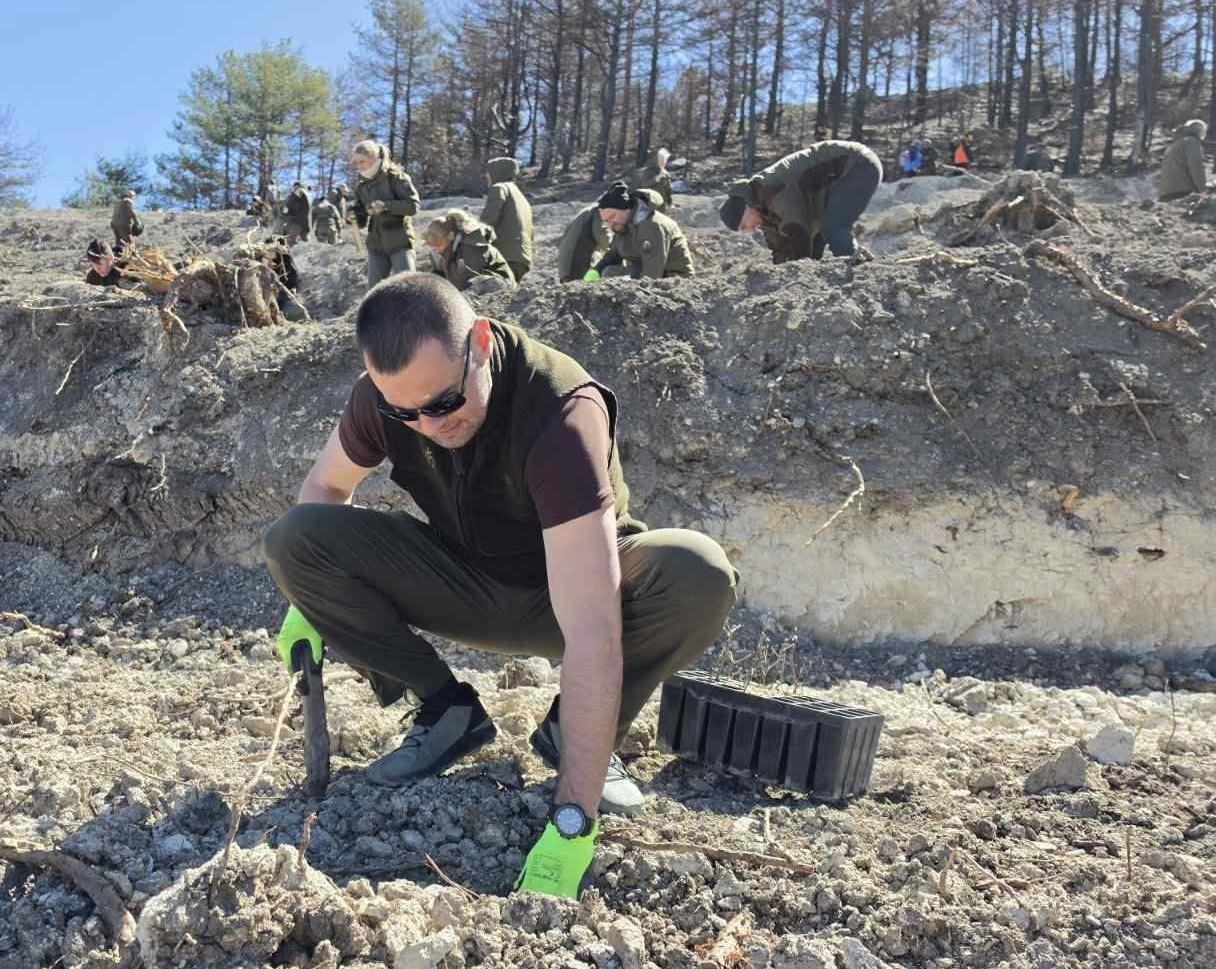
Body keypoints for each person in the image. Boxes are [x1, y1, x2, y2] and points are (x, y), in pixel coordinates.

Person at [264, 275, 738, 894]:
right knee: (295, 537)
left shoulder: (561, 415)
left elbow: (592, 629)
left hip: (572, 591)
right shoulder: (390, 398)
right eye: (405, 413)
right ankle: (446, 713)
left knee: (697, 570)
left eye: (442, 403)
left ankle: (580, 739)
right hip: (463, 580)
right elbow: (327, 487)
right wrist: (307, 599)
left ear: (481, 343)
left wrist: (572, 821)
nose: (427, 424)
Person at [719, 140, 883, 263]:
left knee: (833, 228)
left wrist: (796, 271)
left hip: (857, 164)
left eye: (743, 225)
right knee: (817, 240)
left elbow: (799, 233)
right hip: (831, 185)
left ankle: (857, 272)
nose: (749, 230)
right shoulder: (762, 210)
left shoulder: (772, 191)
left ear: (747, 207)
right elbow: (780, 247)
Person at [351, 139, 421, 285]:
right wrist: (353, 217)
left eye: (362, 161)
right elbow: (361, 218)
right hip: (376, 247)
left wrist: (386, 206)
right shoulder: (361, 186)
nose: (359, 166)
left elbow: (413, 206)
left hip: (400, 243)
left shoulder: (396, 177)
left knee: (409, 288)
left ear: (374, 158)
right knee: (374, 292)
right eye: (356, 163)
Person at [595, 182, 695, 279]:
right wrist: (595, 272)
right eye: (606, 220)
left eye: (612, 217)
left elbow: (653, 270)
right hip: (647, 269)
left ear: (627, 210)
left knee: (611, 274)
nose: (610, 224)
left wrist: (636, 287)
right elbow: (612, 256)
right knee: (610, 272)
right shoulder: (622, 226)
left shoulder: (652, 226)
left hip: (674, 277)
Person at [422, 210, 515, 293]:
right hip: (472, 284)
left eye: (437, 242)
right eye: (432, 243)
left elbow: (470, 282)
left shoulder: (471, 248)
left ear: (450, 235)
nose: (435, 248)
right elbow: (441, 277)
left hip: (499, 285)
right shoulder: (446, 248)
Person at [480, 156, 534, 282]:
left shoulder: (499, 188)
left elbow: (488, 219)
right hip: (522, 259)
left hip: (504, 255)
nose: (488, 177)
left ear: (496, 172)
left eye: (490, 173)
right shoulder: (522, 198)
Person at [556, 202, 613, 283]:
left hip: (565, 271)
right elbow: (603, 237)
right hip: (579, 269)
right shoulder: (598, 211)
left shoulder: (585, 212)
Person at [1159, 119, 1208, 201]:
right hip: (1182, 191)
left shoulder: (1177, 143)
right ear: (1200, 131)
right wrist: (1203, 189)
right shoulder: (1192, 142)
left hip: (1166, 192)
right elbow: (1196, 165)